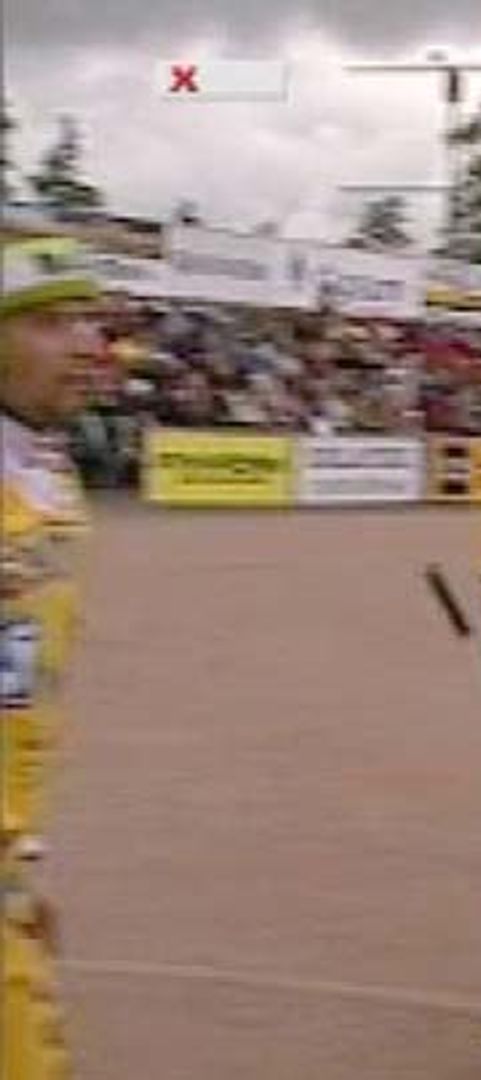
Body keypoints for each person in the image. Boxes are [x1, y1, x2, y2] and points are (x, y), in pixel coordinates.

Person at [3, 236, 107, 1080]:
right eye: (49, 324)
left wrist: (20, 863)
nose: (84, 344)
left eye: (87, 322)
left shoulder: (51, 479)